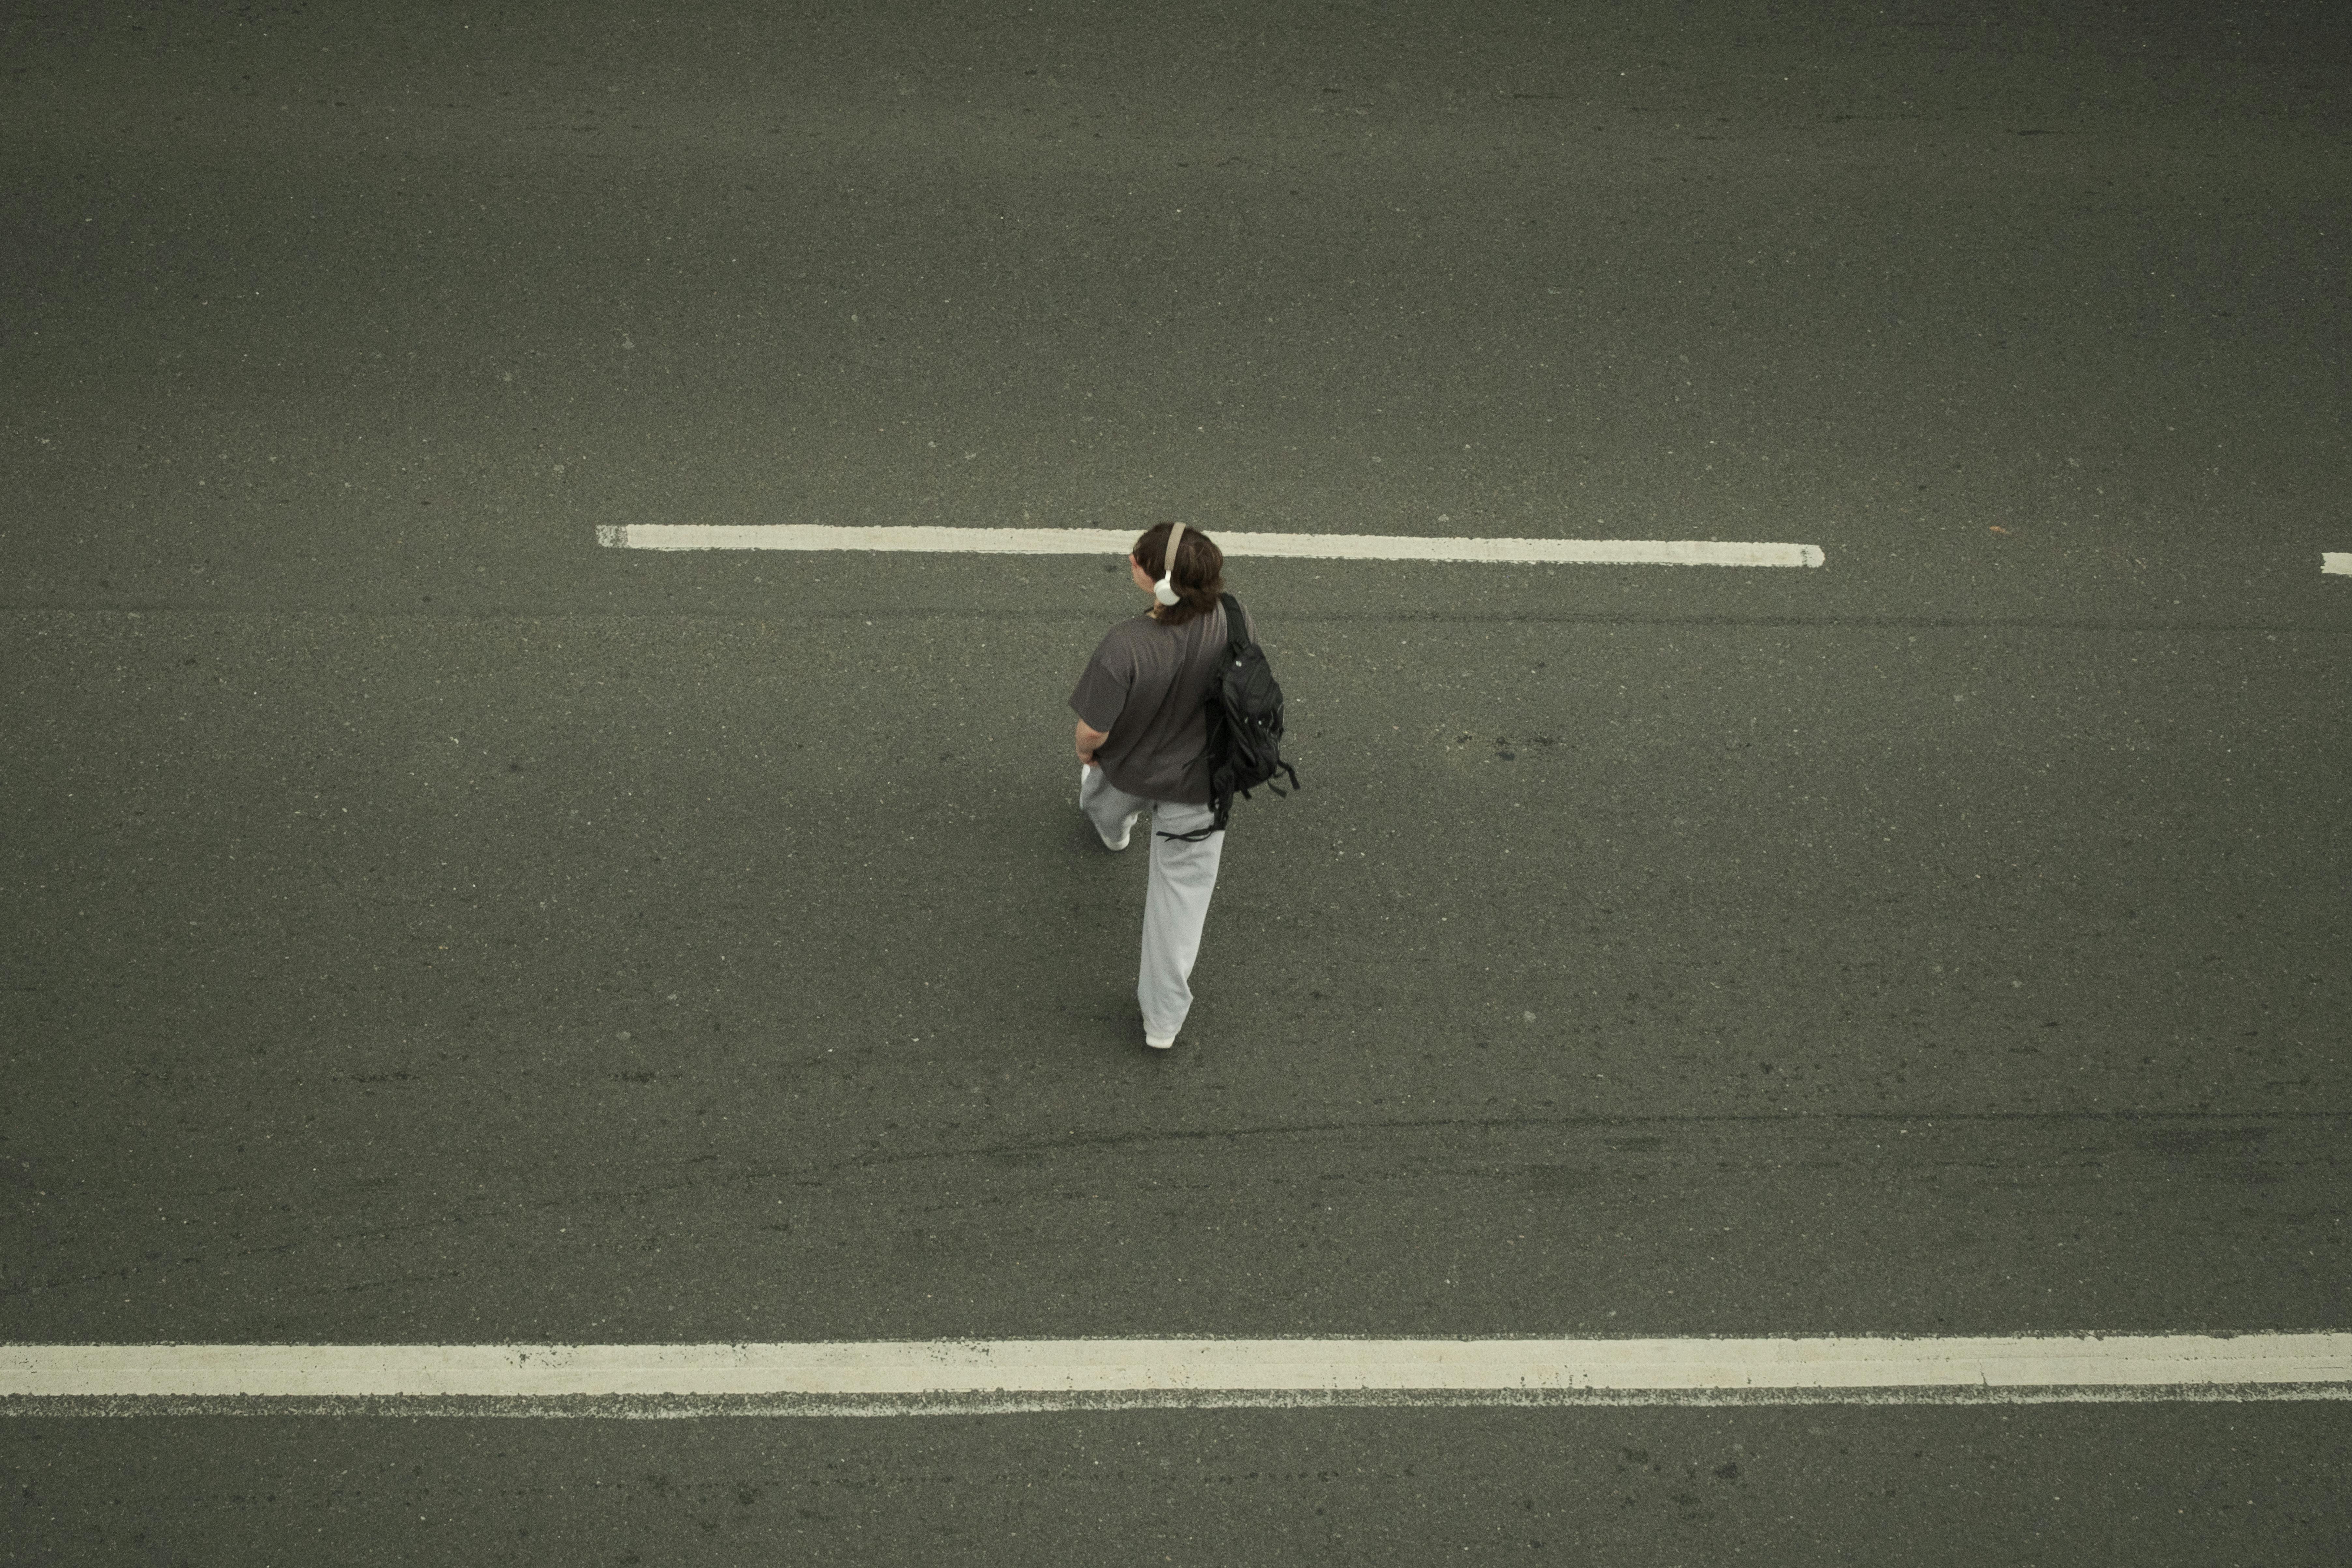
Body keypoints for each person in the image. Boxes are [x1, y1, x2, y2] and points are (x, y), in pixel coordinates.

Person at [1067, 521, 1255, 1052]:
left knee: (1102, 802)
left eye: (1139, 558)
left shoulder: (1124, 645)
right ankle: (1163, 1024)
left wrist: (1087, 755)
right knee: (1178, 909)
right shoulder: (1232, 618)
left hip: (1128, 769)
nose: (1131, 558)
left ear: (1158, 580)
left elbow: (1093, 732)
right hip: (1200, 789)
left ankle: (1114, 834)